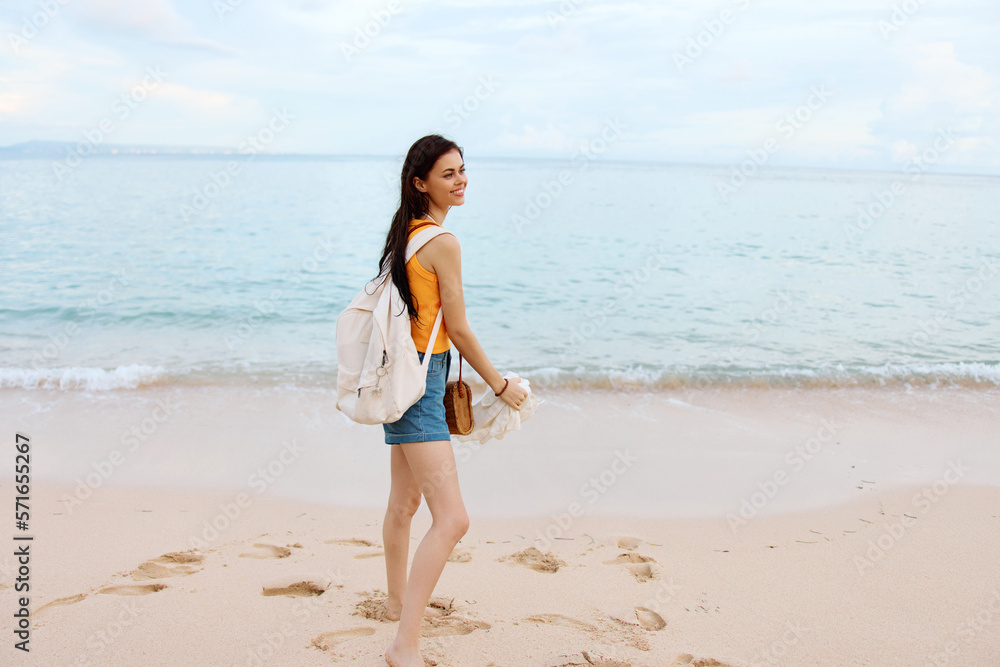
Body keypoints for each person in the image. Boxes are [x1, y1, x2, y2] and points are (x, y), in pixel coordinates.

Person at [379, 135, 529, 667]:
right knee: (454, 519)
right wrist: (499, 384)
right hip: (420, 381)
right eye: (448, 174)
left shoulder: (407, 234)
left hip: (404, 374)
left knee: (404, 504)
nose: (461, 180)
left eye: (463, 170)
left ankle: (398, 601)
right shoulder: (442, 241)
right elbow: (459, 330)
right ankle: (405, 644)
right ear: (421, 183)